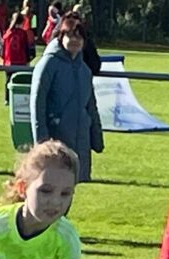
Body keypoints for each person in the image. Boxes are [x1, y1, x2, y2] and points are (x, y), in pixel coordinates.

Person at [31, 12, 102, 181]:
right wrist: (42, 141)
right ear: (61, 36)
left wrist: (96, 137)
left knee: (79, 185)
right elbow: (37, 103)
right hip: (56, 139)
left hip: (81, 142)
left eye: (79, 37)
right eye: (70, 35)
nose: (75, 40)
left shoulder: (84, 70)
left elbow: (91, 106)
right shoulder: (48, 64)